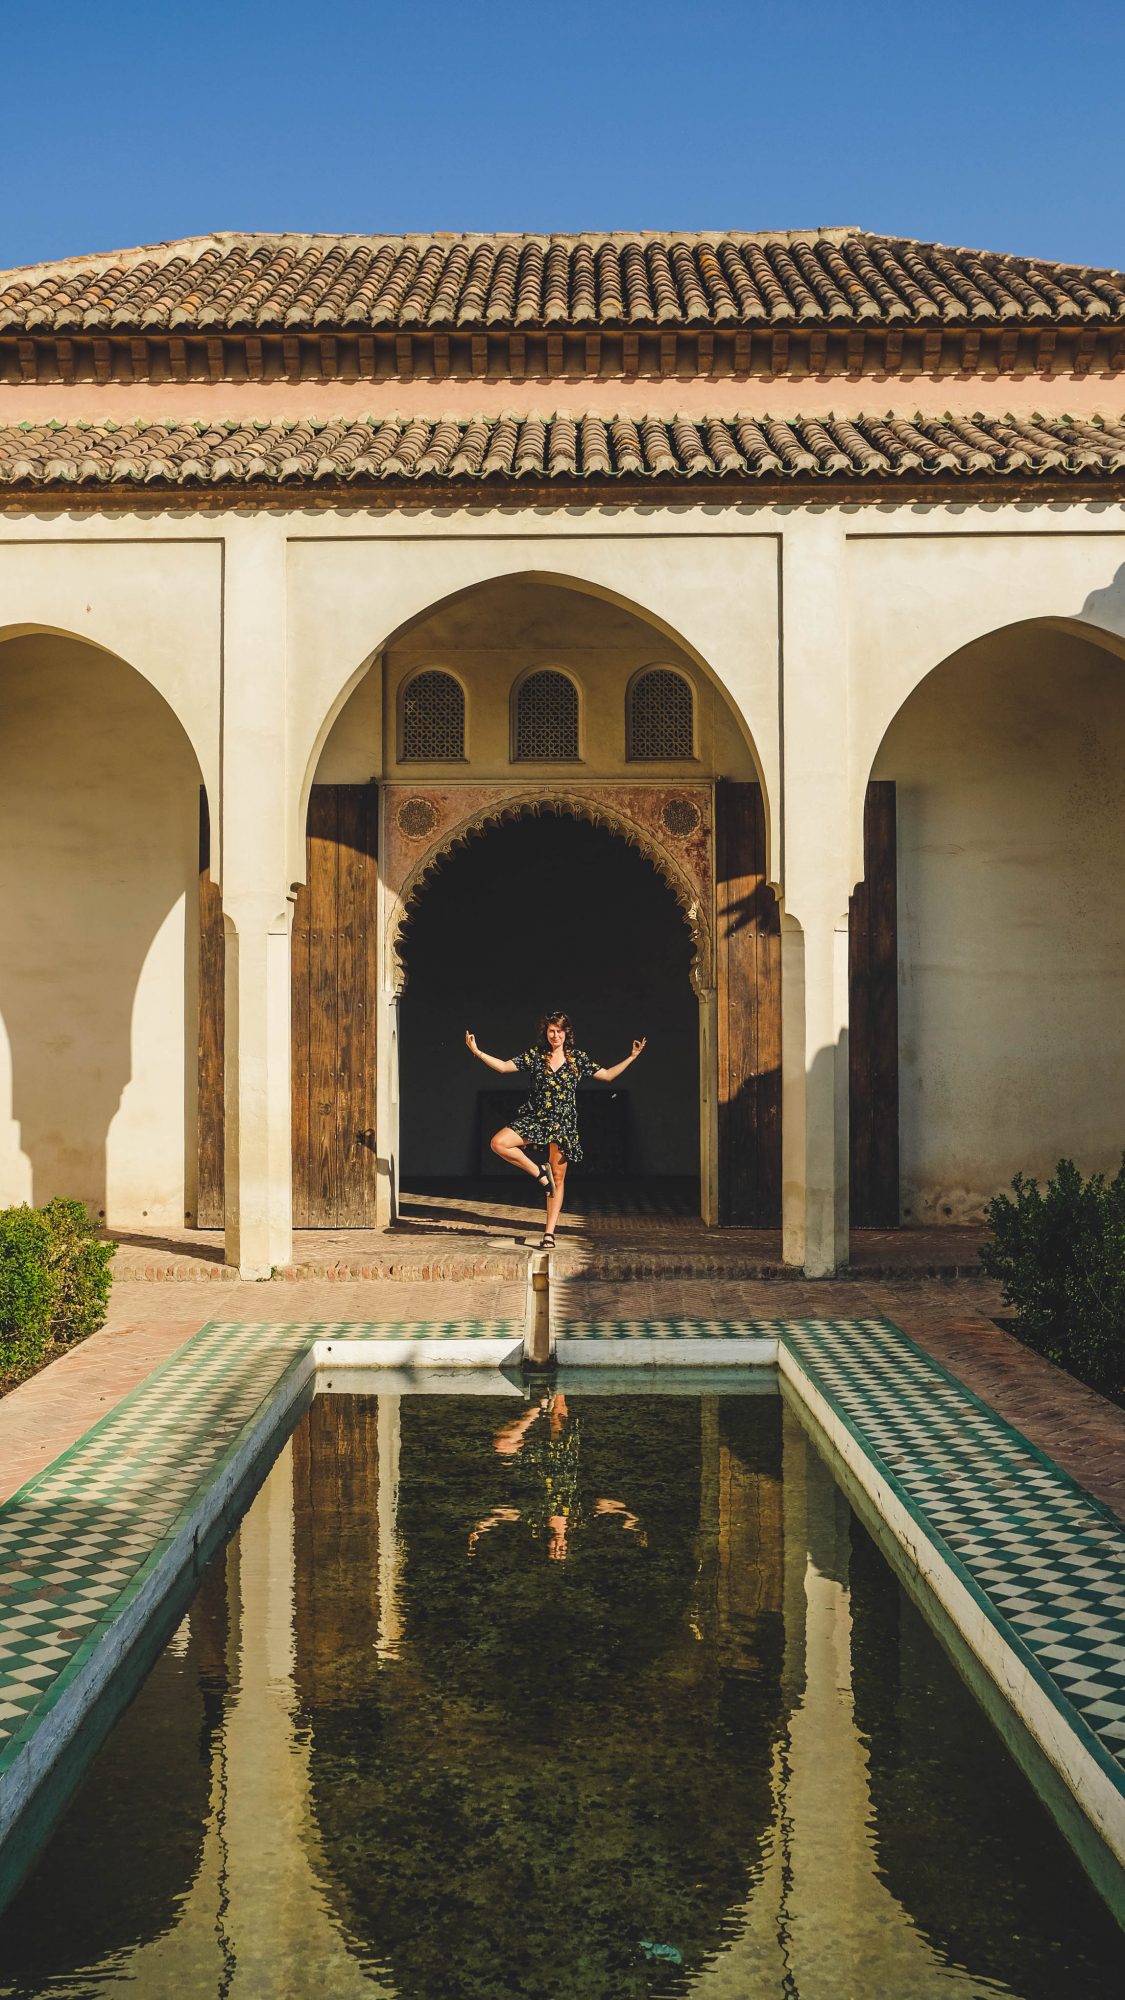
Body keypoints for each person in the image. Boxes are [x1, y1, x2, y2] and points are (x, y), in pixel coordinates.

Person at [464, 1011, 647, 1248]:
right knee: (499, 1143)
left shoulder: (577, 1058)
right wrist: (477, 1051)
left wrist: (632, 1057)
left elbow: (607, 1075)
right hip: (537, 1118)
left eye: (559, 1031)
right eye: (551, 1031)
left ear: (566, 1033)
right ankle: (540, 1172)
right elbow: (503, 1067)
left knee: (557, 1180)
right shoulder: (537, 1055)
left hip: (563, 1124)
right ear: (546, 1033)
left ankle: (549, 1233)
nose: (555, 1035)